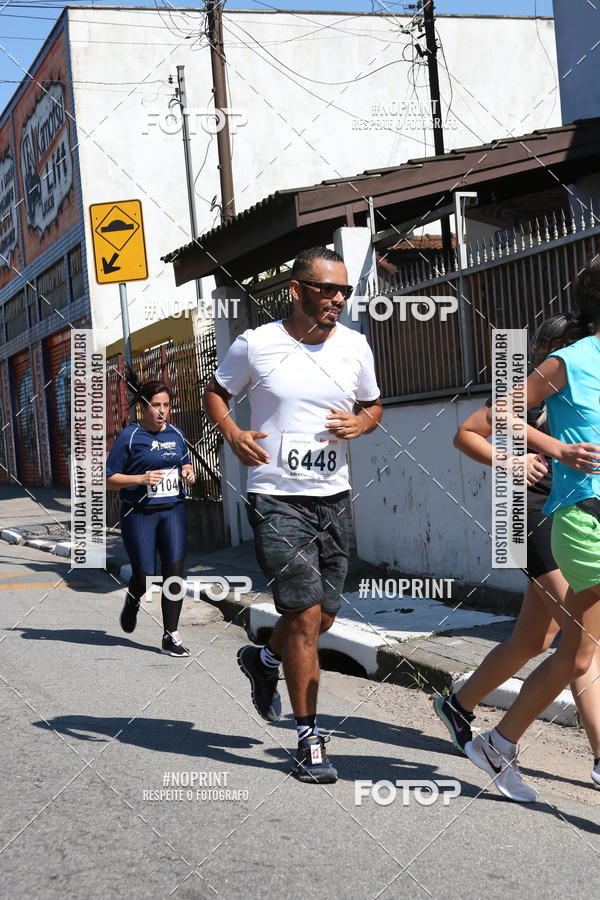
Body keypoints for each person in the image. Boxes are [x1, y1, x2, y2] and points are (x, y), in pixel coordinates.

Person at [204, 246, 382, 783]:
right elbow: (216, 392)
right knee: (303, 616)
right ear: (296, 290)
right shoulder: (255, 344)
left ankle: (264, 660)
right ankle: (309, 740)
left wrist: (362, 424)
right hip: (276, 497)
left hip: (333, 495)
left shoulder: (355, 346)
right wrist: (232, 432)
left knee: (323, 616)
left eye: (345, 290)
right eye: (327, 288)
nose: (338, 299)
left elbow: (374, 404)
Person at [435, 313, 600, 790]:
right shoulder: (545, 386)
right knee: (580, 648)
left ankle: (459, 703)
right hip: (535, 518)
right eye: (556, 349)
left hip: (569, 516)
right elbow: (467, 433)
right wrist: (513, 459)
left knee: (536, 641)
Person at [106, 372, 196, 656]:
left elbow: (185, 463)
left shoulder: (176, 433)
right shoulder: (130, 436)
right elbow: (108, 478)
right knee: (145, 573)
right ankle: (133, 599)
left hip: (173, 511)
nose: (162, 411)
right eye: (156, 405)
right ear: (143, 407)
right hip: (139, 513)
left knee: (174, 573)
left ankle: (171, 635)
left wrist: (188, 471)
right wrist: (140, 479)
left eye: (166, 405)